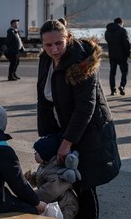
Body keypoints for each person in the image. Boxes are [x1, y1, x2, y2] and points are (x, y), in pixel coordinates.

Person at [36, 20, 121, 219]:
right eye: (48, 45)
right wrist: (46, 141)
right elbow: (44, 100)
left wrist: (66, 143)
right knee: (65, 185)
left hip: (88, 132)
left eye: (59, 43)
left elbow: (85, 108)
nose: (54, 49)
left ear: (68, 38)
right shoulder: (46, 60)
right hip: (62, 129)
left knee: (84, 185)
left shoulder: (81, 61)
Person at [25, 134, 79, 219]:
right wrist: (31, 178)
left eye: (37, 152)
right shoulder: (45, 165)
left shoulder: (57, 173)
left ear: (45, 155)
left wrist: (31, 198)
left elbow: (49, 192)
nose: (34, 154)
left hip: (65, 207)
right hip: (54, 203)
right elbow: (40, 178)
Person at [104, 17, 131, 96]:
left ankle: (113, 90)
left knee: (112, 73)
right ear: (121, 23)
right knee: (124, 71)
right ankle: (122, 86)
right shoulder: (122, 31)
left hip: (112, 55)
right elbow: (126, 43)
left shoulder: (107, 31)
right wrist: (128, 52)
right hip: (122, 55)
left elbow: (107, 40)